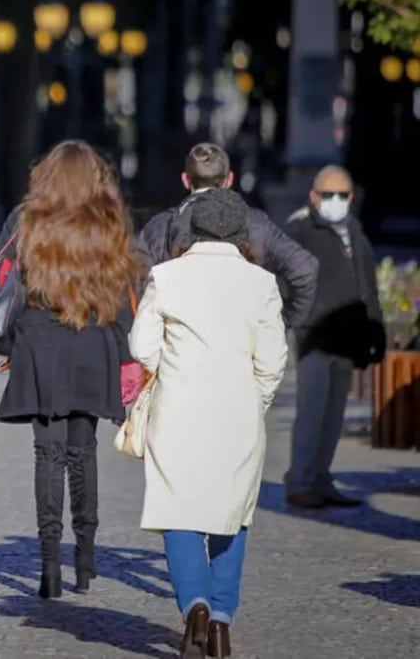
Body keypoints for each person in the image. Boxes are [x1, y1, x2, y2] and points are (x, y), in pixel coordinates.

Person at [129, 188, 288, 659]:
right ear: (241, 234)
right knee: (231, 514)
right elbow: (273, 360)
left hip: (177, 410)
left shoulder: (166, 276)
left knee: (178, 512)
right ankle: (220, 619)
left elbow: (141, 347)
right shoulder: (261, 284)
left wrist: (169, 368)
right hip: (238, 412)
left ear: (192, 229)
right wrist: (254, 399)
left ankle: (193, 606)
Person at [0, 141, 141, 599]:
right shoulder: (110, 221)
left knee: (47, 454)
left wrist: (11, 341)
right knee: (83, 450)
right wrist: (129, 356)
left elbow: (4, 280)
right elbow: (123, 289)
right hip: (94, 340)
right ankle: (85, 558)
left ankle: (49, 565)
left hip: (40, 340)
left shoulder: (28, 220)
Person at [282, 165, 384, 509]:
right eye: (328, 195)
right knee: (311, 413)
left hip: (348, 338)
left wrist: (375, 328)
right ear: (314, 196)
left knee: (333, 416)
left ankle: (321, 478)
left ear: (351, 197)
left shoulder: (353, 229)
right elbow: (285, 280)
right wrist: (300, 319)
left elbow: (366, 282)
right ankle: (299, 481)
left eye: (342, 195)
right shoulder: (300, 229)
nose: (336, 201)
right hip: (315, 338)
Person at [136, 143, 318, 329]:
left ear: (185, 179)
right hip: (243, 344)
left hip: (179, 347)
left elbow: (141, 288)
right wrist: (281, 323)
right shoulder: (256, 224)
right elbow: (305, 270)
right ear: (229, 179)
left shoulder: (159, 228)